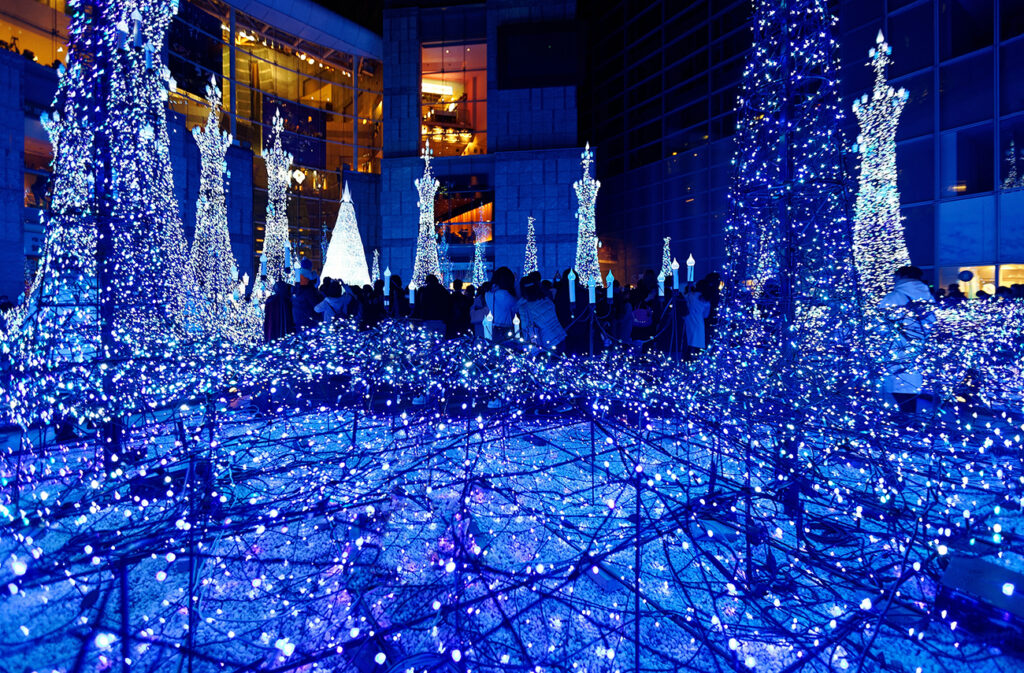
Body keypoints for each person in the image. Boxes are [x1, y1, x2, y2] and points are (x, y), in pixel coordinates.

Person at [879, 265, 936, 413]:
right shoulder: (928, 296)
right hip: (920, 344)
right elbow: (932, 320)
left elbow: (880, 324)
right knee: (912, 380)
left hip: (898, 345)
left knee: (899, 380)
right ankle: (909, 413)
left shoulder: (895, 296)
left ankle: (907, 416)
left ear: (901, 277)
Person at [517, 275, 566, 349]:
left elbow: (526, 328)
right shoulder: (547, 300)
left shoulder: (524, 307)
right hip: (559, 337)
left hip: (545, 344)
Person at [486, 267, 518, 343]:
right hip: (506, 329)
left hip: (493, 329)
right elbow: (517, 307)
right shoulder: (505, 294)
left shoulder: (488, 293)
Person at [292, 259, 322, 330]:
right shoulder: (309, 291)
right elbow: (316, 307)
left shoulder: (295, 290)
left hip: (298, 320)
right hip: (309, 321)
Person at [683, 284, 711, 360]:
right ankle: (695, 361)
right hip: (699, 322)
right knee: (697, 343)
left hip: (688, 319)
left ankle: (687, 360)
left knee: (688, 342)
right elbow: (706, 315)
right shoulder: (706, 300)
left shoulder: (690, 295)